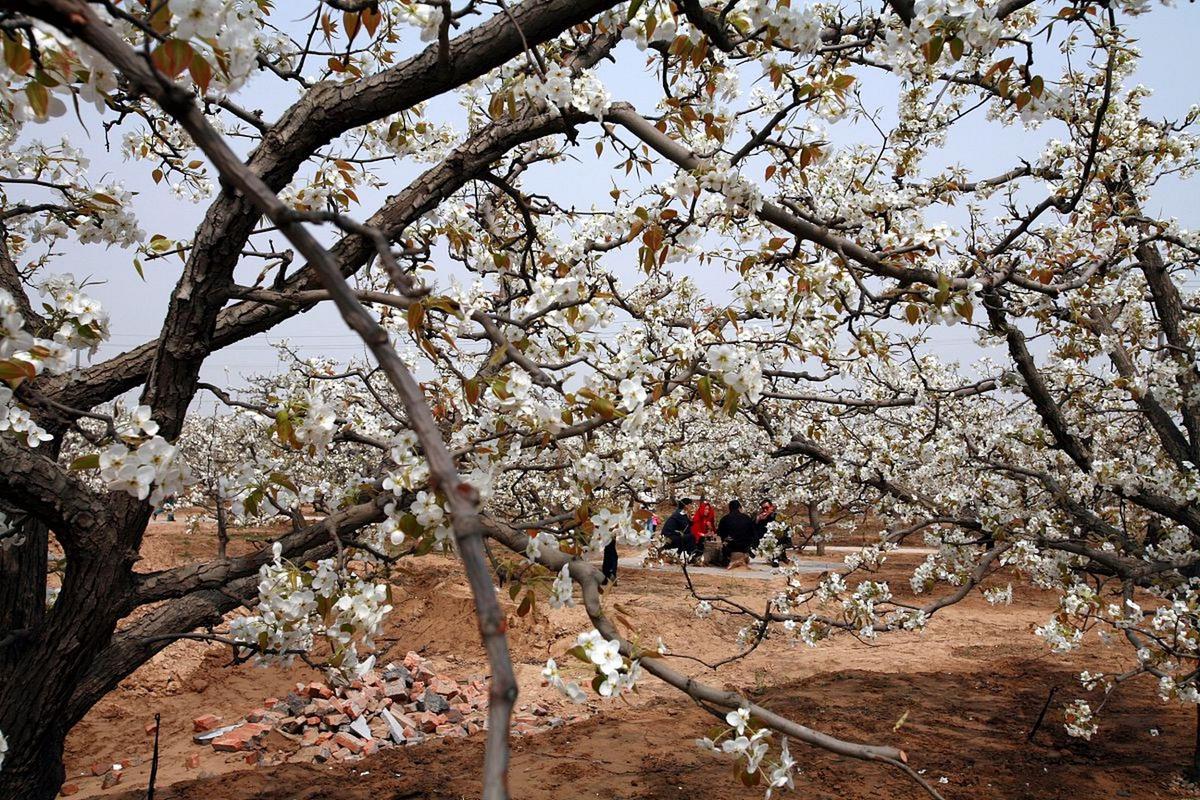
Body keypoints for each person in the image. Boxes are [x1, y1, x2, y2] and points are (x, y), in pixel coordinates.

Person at [717, 499, 755, 566]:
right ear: (739, 508)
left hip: (731, 546)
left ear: (729, 508)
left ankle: (725, 558)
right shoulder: (747, 518)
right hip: (745, 546)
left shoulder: (725, 519)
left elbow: (720, 533)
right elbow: (752, 533)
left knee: (725, 541)